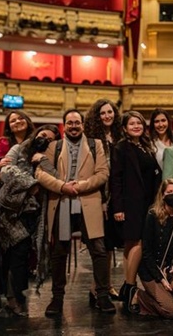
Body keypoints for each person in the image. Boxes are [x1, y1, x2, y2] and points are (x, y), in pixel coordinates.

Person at [34, 109, 113, 316]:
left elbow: (103, 173)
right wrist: (62, 187)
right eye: (69, 123)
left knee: (99, 250)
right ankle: (57, 298)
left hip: (88, 201)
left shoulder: (96, 145)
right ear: (64, 126)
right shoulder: (54, 146)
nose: (74, 126)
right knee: (59, 252)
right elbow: (40, 173)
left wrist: (81, 186)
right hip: (61, 202)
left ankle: (102, 295)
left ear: (83, 125)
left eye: (77, 123)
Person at [0, 124, 61, 317]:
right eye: (42, 135)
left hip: (38, 212)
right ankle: (13, 299)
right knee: (16, 255)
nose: (45, 140)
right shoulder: (20, 148)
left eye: (50, 139)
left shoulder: (54, 156)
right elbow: (5, 170)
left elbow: (58, 177)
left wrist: (44, 161)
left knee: (26, 258)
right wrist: (31, 183)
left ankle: (18, 296)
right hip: (12, 211)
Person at [110, 110, 162, 312]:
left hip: (146, 202)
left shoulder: (146, 145)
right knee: (136, 242)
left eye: (139, 123)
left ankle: (126, 285)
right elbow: (116, 178)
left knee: (132, 243)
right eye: (132, 124)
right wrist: (118, 207)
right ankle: (131, 287)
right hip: (130, 203)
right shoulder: (122, 147)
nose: (136, 127)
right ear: (124, 128)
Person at [0, 110, 34, 310]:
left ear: (27, 121)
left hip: (30, 203)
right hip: (6, 204)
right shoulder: (2, 143)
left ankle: (17, 294)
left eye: (20, 118)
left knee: (22, 252)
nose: (17, 122)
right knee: (0, 250)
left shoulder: (36, 141)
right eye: (12, 120)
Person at [130, 179, 173, 318]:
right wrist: (161, 279)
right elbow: (146, 252)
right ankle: (139, 296)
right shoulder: (152, 215)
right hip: (151, 270)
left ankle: (167, 297)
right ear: (163, 195)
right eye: (169, 192)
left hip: (170, 267)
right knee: (172, 312)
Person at [84, 98, 123, 302]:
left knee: (110, 244)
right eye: (102, 113)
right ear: (96, 117)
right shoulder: (91, 139)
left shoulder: (119, 135)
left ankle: (104, 286)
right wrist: (101, 199)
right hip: (98, 196)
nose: (107, 116)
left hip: (116, 196)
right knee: (102, 245)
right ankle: (99, 287)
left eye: (110, 112)